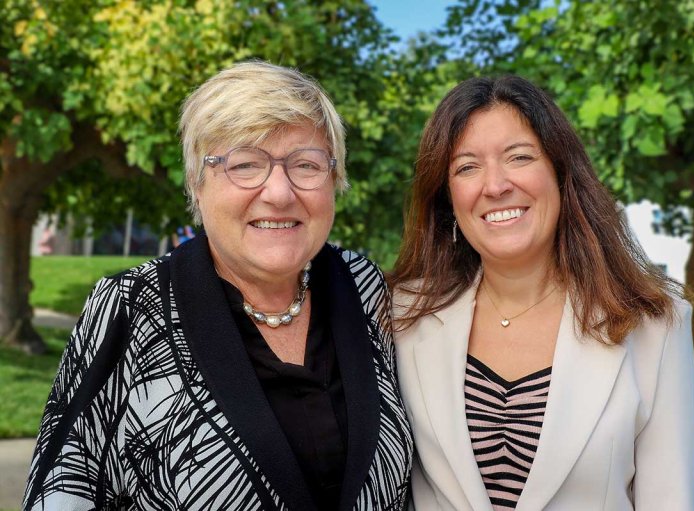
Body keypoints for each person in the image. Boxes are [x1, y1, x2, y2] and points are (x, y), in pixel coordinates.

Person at [23, 61, 413, 511]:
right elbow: (63, 488)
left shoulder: (364, 288)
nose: (279, 192)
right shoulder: (129, 308)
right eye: (245, 164)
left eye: (306, 165)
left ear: (334, 179)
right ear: (197, 183)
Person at [390, 75, 694, 510]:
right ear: (448, 200)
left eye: (518, 157)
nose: (495, 185)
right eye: (467, 167)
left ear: (560, 173)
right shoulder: (401, 316)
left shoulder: (654, 325)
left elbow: (673, 500)